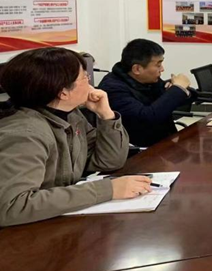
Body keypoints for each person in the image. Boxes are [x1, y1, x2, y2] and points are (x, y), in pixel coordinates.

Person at [0, 47, 153, 227]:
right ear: (63, 92)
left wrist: (106, 116)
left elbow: (108, 161)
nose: (91, 83)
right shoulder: (25, 135)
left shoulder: (70, 115)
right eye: (85, 77)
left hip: (53, 221)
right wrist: (107, 190)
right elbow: (12, 207)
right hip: (22, 234)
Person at [99, 39, 195, 147]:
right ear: (137, 69)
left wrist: (180, 90)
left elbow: (191, 96)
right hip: (142, 150)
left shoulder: (147, 79)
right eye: (158, 65)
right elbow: (147, 118)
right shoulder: (113, 89)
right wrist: (178, 89)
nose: (162, 69)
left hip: (166, 142)